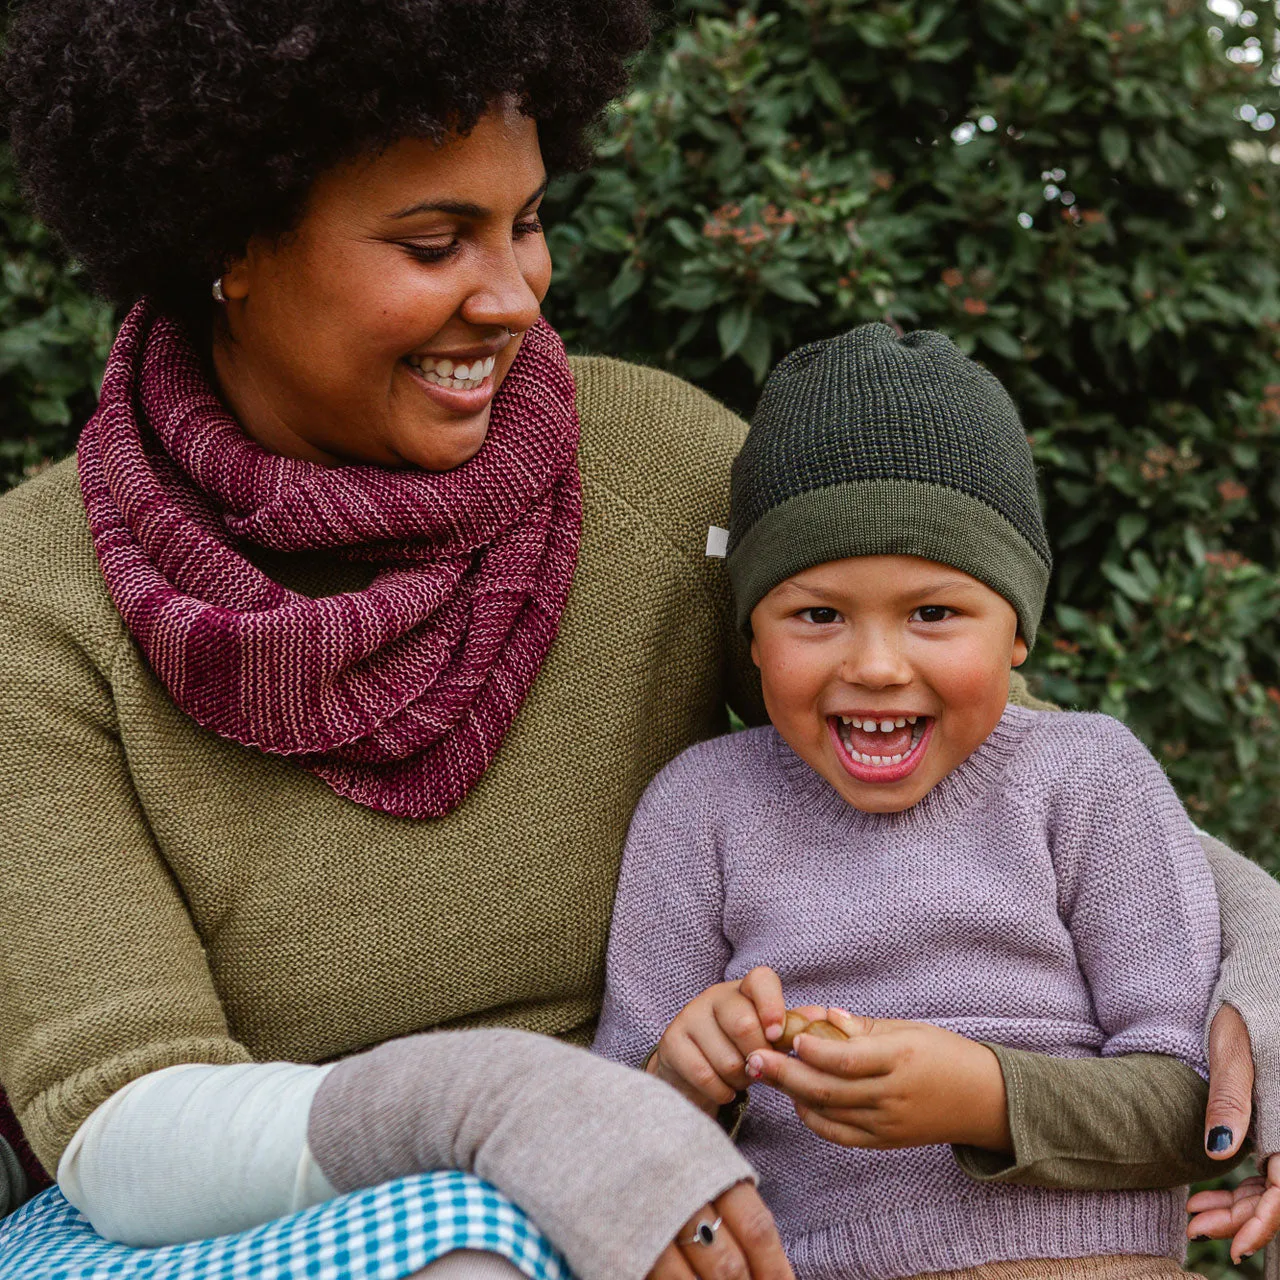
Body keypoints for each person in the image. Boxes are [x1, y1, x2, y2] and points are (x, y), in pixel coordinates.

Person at [0, 3, 1276, 1279]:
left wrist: (1266, 969)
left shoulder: (654, 469)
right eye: (436, 241)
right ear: (226, 238)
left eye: (527, 222)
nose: (512, 297)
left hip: (667, 1182)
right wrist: (511, 1106)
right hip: (271, 1206)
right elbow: (121, 1115)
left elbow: (996, 758)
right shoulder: (39, 594)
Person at [594, 325, 1280, 1278]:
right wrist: (686, 1072)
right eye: (817, 614)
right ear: (751, 636)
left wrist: (986, 1099)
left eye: (934, 613)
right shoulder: (698, 808)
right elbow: (611, 1132)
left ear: (1019, 635)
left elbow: (1195, 1103)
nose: (875, 666)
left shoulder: (1087, 778)